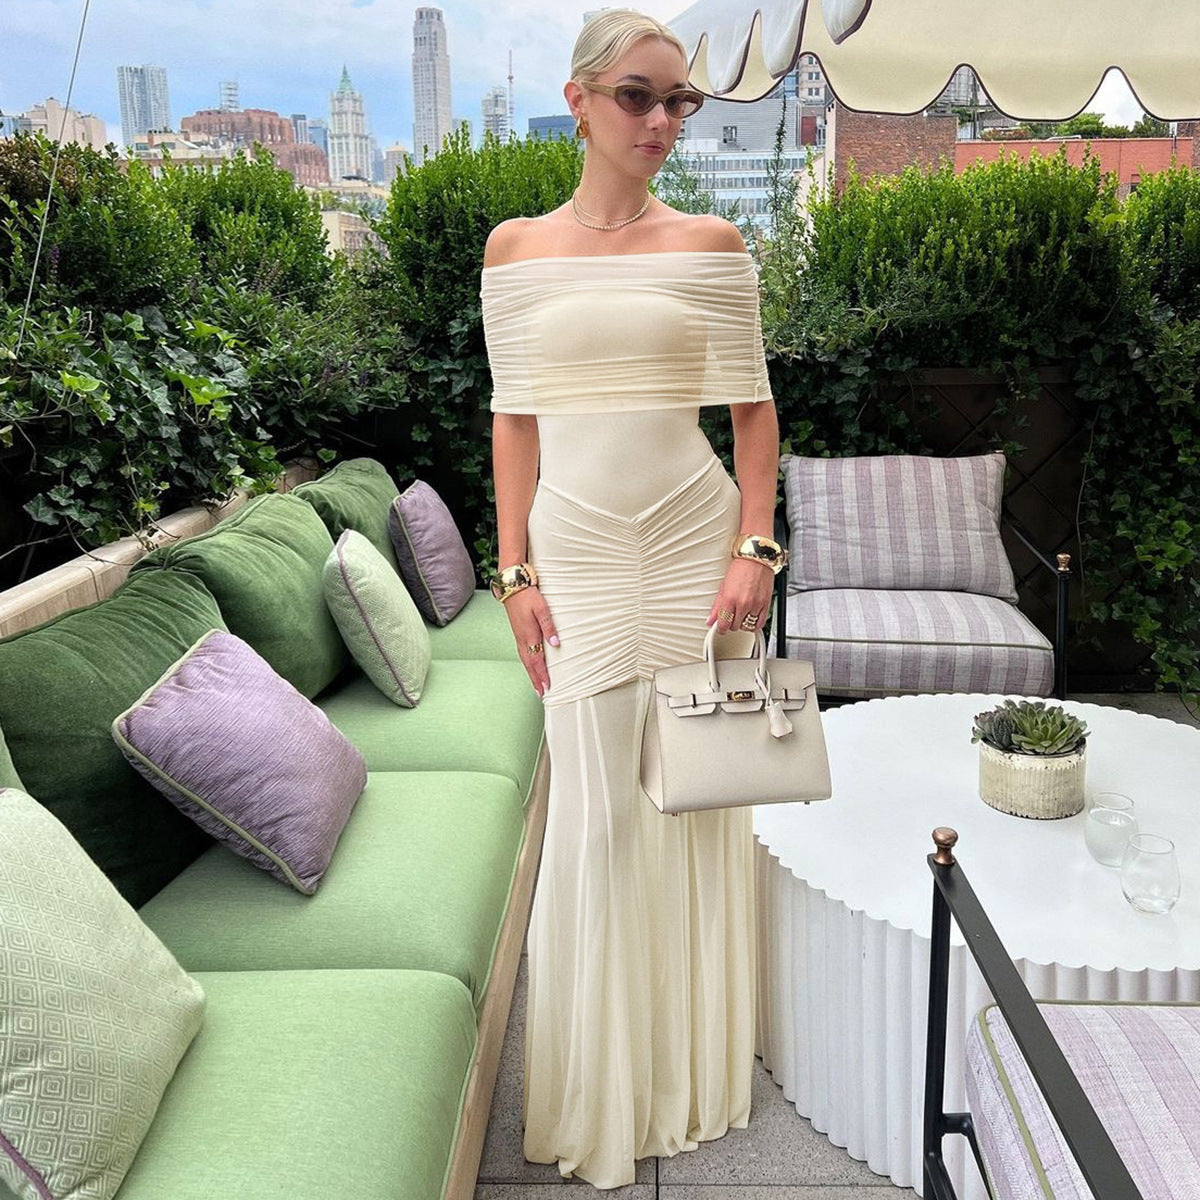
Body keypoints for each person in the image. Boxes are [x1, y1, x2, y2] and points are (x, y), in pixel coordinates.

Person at [480, 8, 785, 1189]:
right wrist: (514, 572)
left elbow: (752, 414)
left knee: (694, 801)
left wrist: (755, 547)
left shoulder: (712, 242)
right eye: (637, 96)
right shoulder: (514, 251)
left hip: (693, 542)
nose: (660, 120)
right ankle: (602, 1085)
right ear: (579, 99)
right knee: (596, 817)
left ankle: (690, 1067)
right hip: (580, 558)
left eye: (679, 102)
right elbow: (513, 423)